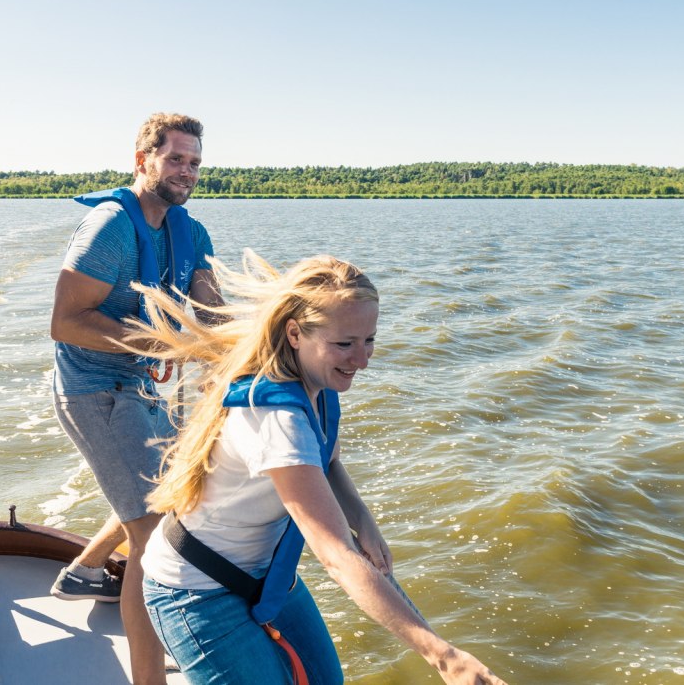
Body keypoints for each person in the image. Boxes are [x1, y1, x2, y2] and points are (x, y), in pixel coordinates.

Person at [134, 252, 507, 684]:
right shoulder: (278, 419)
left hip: (264, 572)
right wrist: (445, 658)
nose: (361, 359)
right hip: (195, 591)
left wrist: (363, 521)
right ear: (295, 333)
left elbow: (327, 462)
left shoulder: (319, 384)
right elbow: (335, 556)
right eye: (345, 344)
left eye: (369, 340)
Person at [48, 113, 222, 685]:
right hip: (96, 389)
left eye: (194, 162)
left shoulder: (190, 232)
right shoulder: (110, 228)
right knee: (154, 537)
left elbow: (210, 310)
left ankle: (85, 569)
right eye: (175, 159)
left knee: (172, 493)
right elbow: (66, 321)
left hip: (151, 386)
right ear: (142, 159)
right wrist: (161, 341)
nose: (187, 172)